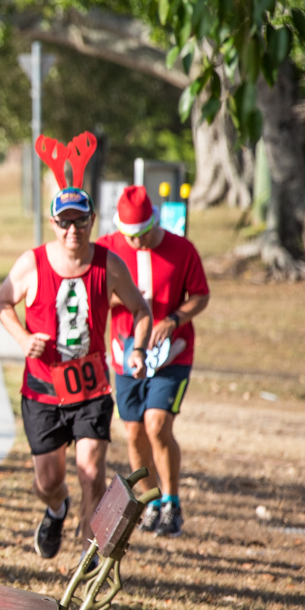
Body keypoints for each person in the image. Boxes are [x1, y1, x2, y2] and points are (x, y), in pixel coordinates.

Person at [0, 187, 151, 557]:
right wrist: (22, 338)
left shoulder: (109, 264)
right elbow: (2, 301)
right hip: (42, 389)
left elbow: (141, 309)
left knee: (92, 474)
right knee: (48, 481)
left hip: (91, 389)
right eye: (64, 222)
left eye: (80, 220)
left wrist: (138, 350)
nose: (72, 229)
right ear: (53, 224)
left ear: (91, 220)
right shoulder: (32, 263)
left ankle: (87, 558)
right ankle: (55, 509)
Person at [96, 187, 209, 536]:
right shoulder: (106, 248)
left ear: (154, 223)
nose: (136, 242)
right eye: (129, 235)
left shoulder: (181, 249)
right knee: (133, 432)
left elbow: (201, 295)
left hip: (171, 353)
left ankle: (172, 502)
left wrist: (173, 319)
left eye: (142, 234)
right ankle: (150, 503)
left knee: (157, 425)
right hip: (125, 352)